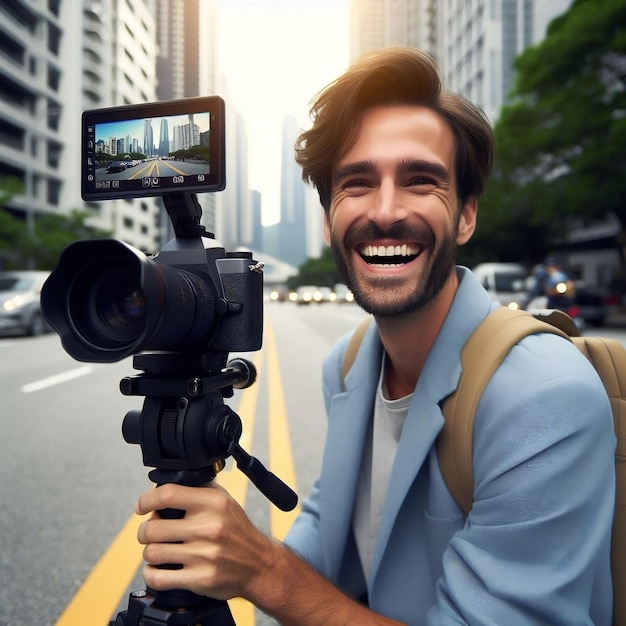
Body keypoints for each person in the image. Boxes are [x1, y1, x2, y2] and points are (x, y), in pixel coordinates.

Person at [133, 47, 616, 625]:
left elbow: (289, 578)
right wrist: (225, 556)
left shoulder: (542, 395)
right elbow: (330, 529)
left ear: (465, 214)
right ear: (328, 217)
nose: (385, 211)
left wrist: (262, 570)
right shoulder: (350, 362)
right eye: (357, 182)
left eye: (421, 181)